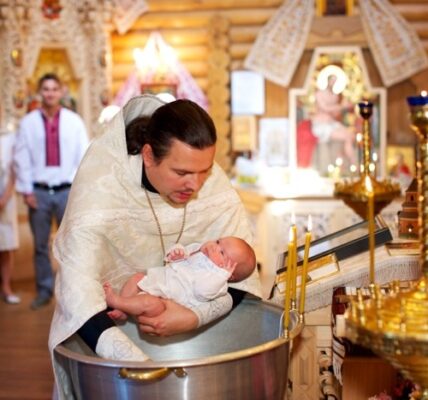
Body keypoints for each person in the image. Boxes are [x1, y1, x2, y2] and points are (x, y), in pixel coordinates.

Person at [48, 94, 261, 398]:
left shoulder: (213, 186)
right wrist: (140, 367)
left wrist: (194, 316)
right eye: (182, 173)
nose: (195, 185)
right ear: (148, 155)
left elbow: (242, 277)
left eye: (205, 171)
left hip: (195, 348)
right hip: (107, 356)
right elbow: (77, 294)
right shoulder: (102, 187)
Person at [14, 73, 89, 310]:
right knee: (40, 246)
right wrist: (27, 190)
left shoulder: (74, 121)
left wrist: (78, 188)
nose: (50, 93)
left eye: (54, 89)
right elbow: (21, 157)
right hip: (39, 192)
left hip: (67, 190)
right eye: (46, 89)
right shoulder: (28, 123)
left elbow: (83, 155)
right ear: (40, 92)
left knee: (70, 244)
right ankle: (44, 290)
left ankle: (71, 292)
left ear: (62, 92)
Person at [104, 237, 256, 319]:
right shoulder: (198, 249)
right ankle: (122, 309)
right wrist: (176, 253)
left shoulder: (218, 284)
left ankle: (117, 302)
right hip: (159, 282)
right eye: (218, 241)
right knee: (137, 278)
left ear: (230, 274)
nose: (214, 247)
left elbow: (202, 291)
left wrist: (221, 276)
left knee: (150, 303)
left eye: (222, 253)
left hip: (167, 301)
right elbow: (177, 256)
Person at [311, 74, 356, 166]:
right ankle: (351, 163)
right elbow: (325, 108)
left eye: (335, 81)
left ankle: (350, 162)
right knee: (346, 136)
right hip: (321, 125)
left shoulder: (335, 96)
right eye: (332, 80)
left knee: (350, 135)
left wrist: (346, 107)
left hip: (331, 123)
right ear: (328, 81)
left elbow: (334, 113)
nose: (333, 83)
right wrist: (341, 106)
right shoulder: (319, 93)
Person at [0, 113, 20, 304]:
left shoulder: (9, 137)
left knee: (5, 245)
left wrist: (5, 197)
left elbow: (14, 169)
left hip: (5, 199)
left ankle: (6, 287)